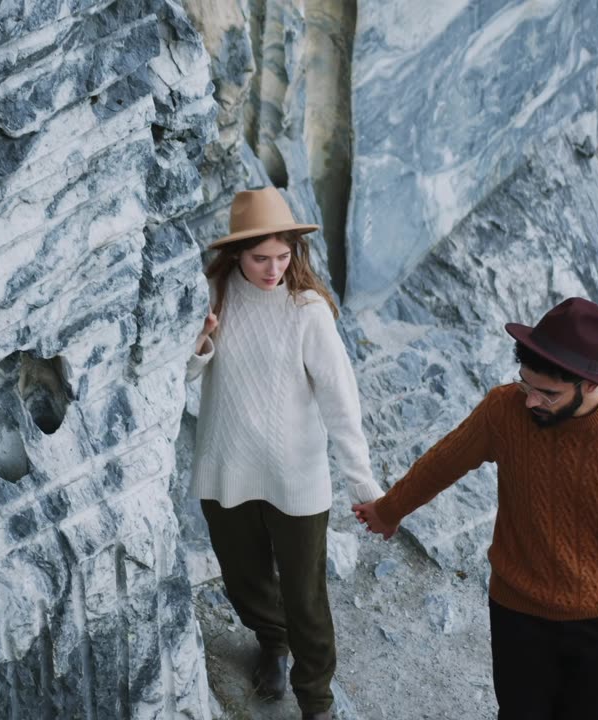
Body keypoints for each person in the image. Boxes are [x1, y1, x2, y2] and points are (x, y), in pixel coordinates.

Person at [353, 297, 598, 720]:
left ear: (589, 383)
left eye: (547, 393)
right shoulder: (503, 410)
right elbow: (443, 462)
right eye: (526, 385)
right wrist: (389, 510)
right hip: (518, 611)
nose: (530, 401)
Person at [186, 187, 384, 720]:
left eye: (283, 256)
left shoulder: (307, 309)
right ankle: (272, 643)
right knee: (243, 580)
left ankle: (315, 700)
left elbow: (341, 401)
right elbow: (180, 375)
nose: (273, 269)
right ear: (236, 255)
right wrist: (202, 343)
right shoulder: (214, 291)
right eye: (260, 258)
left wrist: (361, 482)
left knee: (307, 599)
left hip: (295, 475)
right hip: (226, 464)